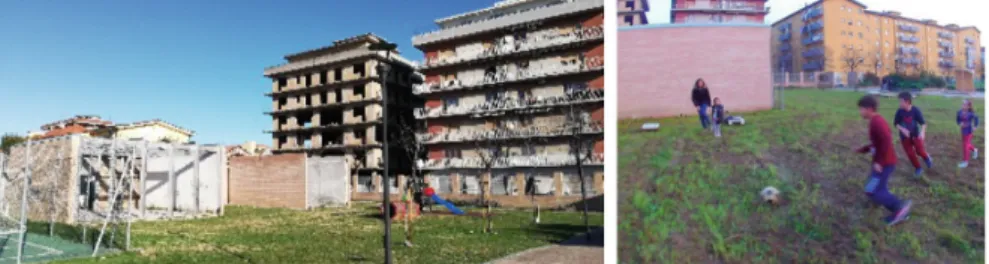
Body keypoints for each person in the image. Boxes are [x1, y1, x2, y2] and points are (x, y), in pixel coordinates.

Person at [856, 95, 912, 226]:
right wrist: (864, 149)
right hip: (884, 162)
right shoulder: (874, 121)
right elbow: (878, 143)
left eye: (861, 109)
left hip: (885, 163)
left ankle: (899, 208)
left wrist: (879, 162)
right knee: (873, 188)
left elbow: (886, 141)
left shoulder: (877, 122)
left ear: (869, 109)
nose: (860, 112)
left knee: (873, 190)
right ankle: (884, 201)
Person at [893, 92, 933, 177]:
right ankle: (918, 168)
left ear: (907, 102)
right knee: (910, 153)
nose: (899, 103)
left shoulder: (915, 110)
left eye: (901, 101)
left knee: (919, 151)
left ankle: (926, 158)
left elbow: (923, 123)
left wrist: (922, 132)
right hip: (904, 137)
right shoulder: (899, 112)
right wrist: (903, 129)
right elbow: (896, 123)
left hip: (915, 135)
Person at [957, 99, 980, 168]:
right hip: (963, 131)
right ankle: (975, 150)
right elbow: (958, 119)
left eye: (964, 104)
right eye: (962, 104)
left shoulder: (970, 113)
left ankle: (965, 162)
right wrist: (959, 123)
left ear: (968, 107)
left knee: (965, 146)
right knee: (966, 144)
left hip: (969, 131)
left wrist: (975, 126)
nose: (962, 105)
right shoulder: (959, 112)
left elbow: (977, 119)